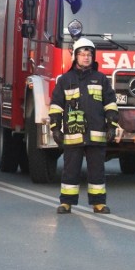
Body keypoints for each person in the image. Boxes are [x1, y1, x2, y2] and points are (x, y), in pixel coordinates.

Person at [47, 37, 122, 215]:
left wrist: (111, 125)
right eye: (82, 54)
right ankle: (66, 203)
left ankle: (98, 203)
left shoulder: (101, 79)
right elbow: (56, 106)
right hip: (73, 134)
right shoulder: (65, 80)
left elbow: (110, 104)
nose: (86, 58)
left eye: (89, 54)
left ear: (93, 57)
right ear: (75, 57)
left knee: (97, 171)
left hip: (97, 135)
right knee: (70, 170)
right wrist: (55, 129)